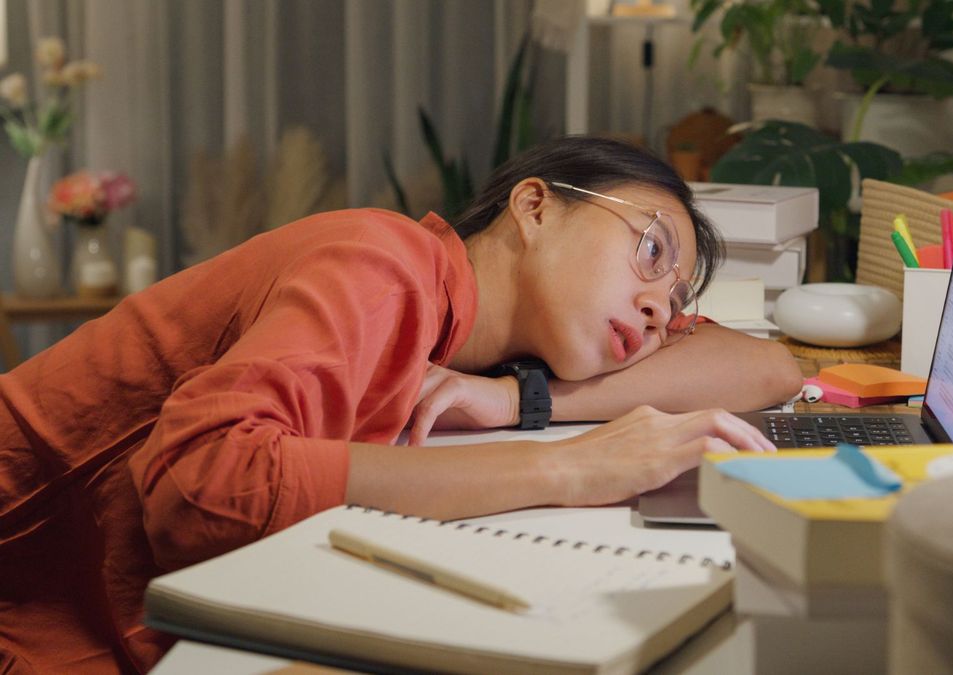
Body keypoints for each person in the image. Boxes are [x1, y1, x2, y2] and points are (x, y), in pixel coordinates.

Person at [0, 136, 804, 673]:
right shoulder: (383, 265)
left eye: (675, 302)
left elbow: (768, 366)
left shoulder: (474, 341)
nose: (662, 309)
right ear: (533, 206)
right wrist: (565, 464)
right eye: (651, 249)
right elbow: (203, 480)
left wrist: (518, 398)